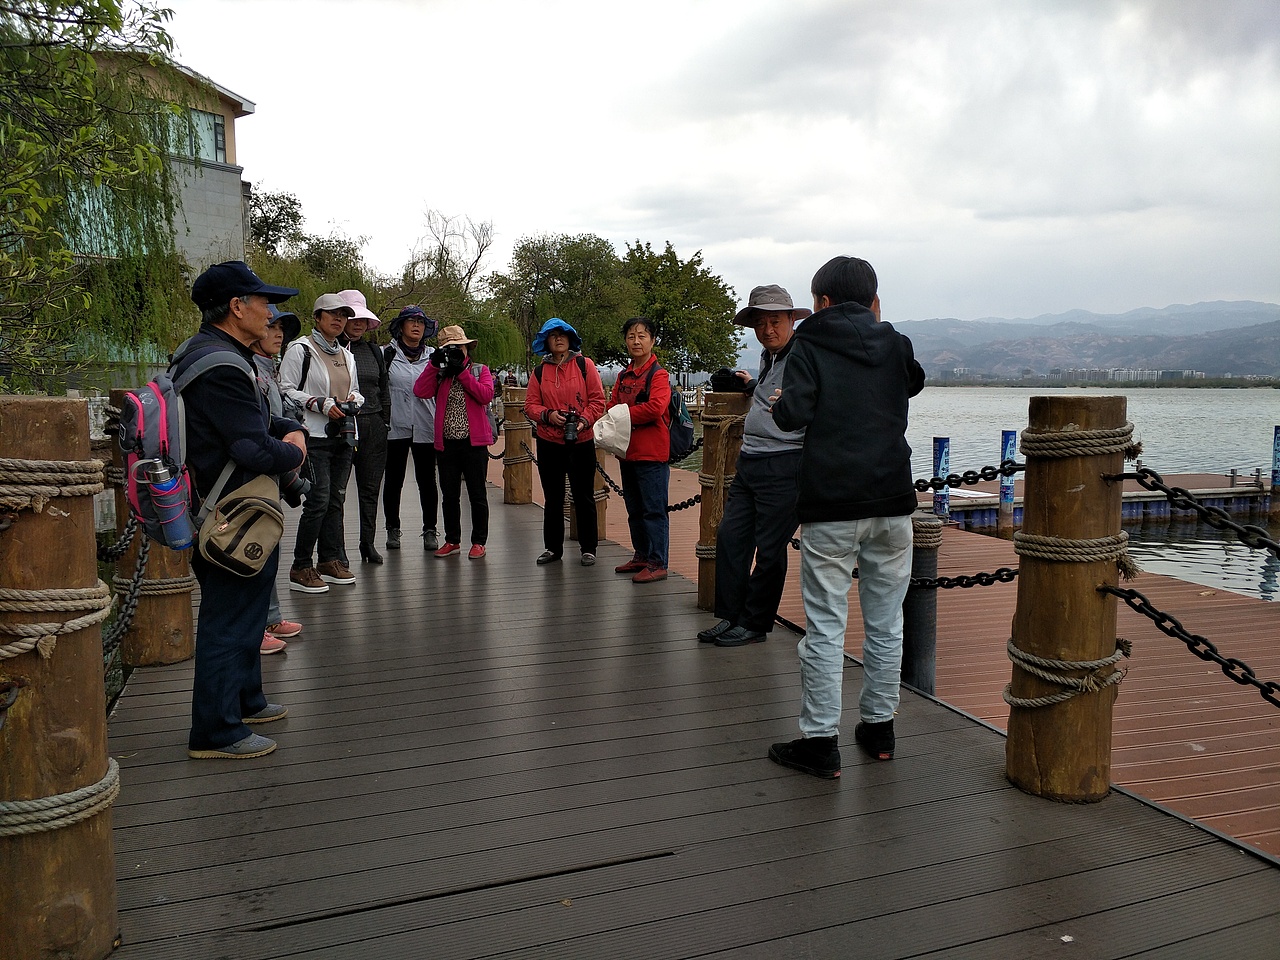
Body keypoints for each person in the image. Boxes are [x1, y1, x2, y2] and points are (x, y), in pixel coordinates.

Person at [767, 256, 925, 778]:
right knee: (886, 622)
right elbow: (914, 382)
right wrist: (877, 325)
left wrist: (780, 398)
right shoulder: (894, 341)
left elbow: (792, 417)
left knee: (826, 627)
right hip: (893, 503)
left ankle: (819, 741)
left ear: (822, 302)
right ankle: (879, 729)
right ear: (872, 299)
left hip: (832, 504)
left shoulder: (808, 344)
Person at [178, 260, 307, 759]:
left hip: (230, 508)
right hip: (227, 513)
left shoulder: (209, 352)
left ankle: (246, 700)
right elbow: (251, 448)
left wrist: (280, 425)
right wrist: (295, 447)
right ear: (236, 307)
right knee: (228, 619)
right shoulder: (224, 365)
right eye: (263, 303)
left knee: (250, 608)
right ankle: (216, 730)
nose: (270, 312)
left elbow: (251, 417)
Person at [698, 285, 811, 648]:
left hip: (784, 462)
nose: (767, 330)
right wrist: (752, 386)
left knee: (770, 547)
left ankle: (755, 623)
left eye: (775, 321)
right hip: (751, 458)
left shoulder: (803, 357)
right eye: (760, 323)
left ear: (792, 320)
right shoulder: (770, 357)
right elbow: (769, 392)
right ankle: (731, 616)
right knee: (731, 537)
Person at [279, 293, 364, 593]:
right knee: (318, 500)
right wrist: (318, 403)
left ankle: (329, 560)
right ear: (317, 317)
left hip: (343, 435)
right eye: (331, 314)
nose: (338, 319)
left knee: (336, 499)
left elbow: (356, 390)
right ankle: (301, 565)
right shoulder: (300, 349)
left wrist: (353, 400)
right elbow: (285, 389)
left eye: (343, 314)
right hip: (312, 436)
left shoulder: (347, 354)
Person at [523, 318, 606, 566]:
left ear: (570, 339)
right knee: (553, 497)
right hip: (549, 441)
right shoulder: (540, 371)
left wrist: (583, 420)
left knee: (584, 495)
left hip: (581, 440)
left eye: (563, 334)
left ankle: (588, 548)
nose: (558, 339)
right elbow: (530, 405)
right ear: (546, 341)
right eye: (553, 335)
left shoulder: (585, 365)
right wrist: (548, 415)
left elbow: (597, 401)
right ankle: (552, 548)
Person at [250, 304, 306, 655]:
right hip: (252, 475)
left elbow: (277, 415)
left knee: (268, 543)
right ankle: (254, 629)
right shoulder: (243, 368)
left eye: (282, 328)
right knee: (253, 547)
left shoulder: (267, 368)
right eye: (272, 326)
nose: (279, 334)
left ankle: (270, 617)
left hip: (271, 471)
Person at [412, 325, 494, 559]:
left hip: (474, 444)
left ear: (468, 348)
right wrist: (433, 365)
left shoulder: (479, 370)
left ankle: (479, 541)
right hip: (446, 444)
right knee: (449, 495)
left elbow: (485, 395)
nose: (456, 351)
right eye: (450, 348)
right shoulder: (440, 373)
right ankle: (452, 540)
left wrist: (461, 372)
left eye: (459, 347)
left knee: (477, 494)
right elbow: (420, 391)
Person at [607, 316, 671, 584]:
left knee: (653, 509)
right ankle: (642, 555)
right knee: (634, 507)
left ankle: (658, 562)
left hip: (652, 453)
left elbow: (656, 407)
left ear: (652, 340)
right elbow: (611, 404)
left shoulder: (659, 375)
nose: (636, 340)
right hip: (627, 451)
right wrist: (622, 413)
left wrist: (623, 414)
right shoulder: (623, 375)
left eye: (642, 335)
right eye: (631, 336)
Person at [337, 289, 391, 564]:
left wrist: (385, 421)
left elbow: (383, 387)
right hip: (341, 425)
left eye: (362, 319)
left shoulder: (372, 351)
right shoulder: (331, 350)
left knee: (370, 490)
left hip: (373, 424)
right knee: (338, 491)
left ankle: (367, 543)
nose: (358, 323)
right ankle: (337, 550)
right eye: (352, 317)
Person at [383, 305, 441, 551]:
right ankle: (392, 529)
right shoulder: (385, 354)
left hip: (425, 424)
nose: (416, 325)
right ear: (401, 326)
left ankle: (430, 529)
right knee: (393, 480)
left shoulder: (434, 355)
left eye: (421, 321)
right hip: (394, 426)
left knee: (427, 480)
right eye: (411, 321)